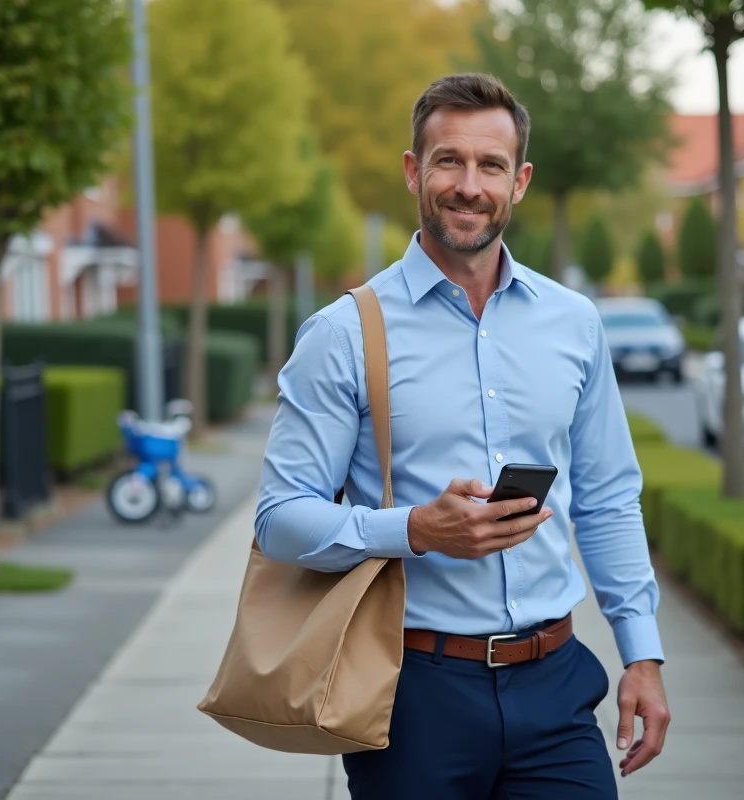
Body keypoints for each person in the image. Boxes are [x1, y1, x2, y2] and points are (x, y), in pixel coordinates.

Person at [254, 73, 669, 799]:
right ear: (414, 170)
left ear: (520, 181)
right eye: (448, 160)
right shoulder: (344, 333)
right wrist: (415, 528)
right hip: (412, 694)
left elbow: (607, 497)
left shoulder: (574, 324)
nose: (468, 185)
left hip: (557, 686)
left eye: (491, 166)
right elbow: (280, 521)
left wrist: (642, 654)